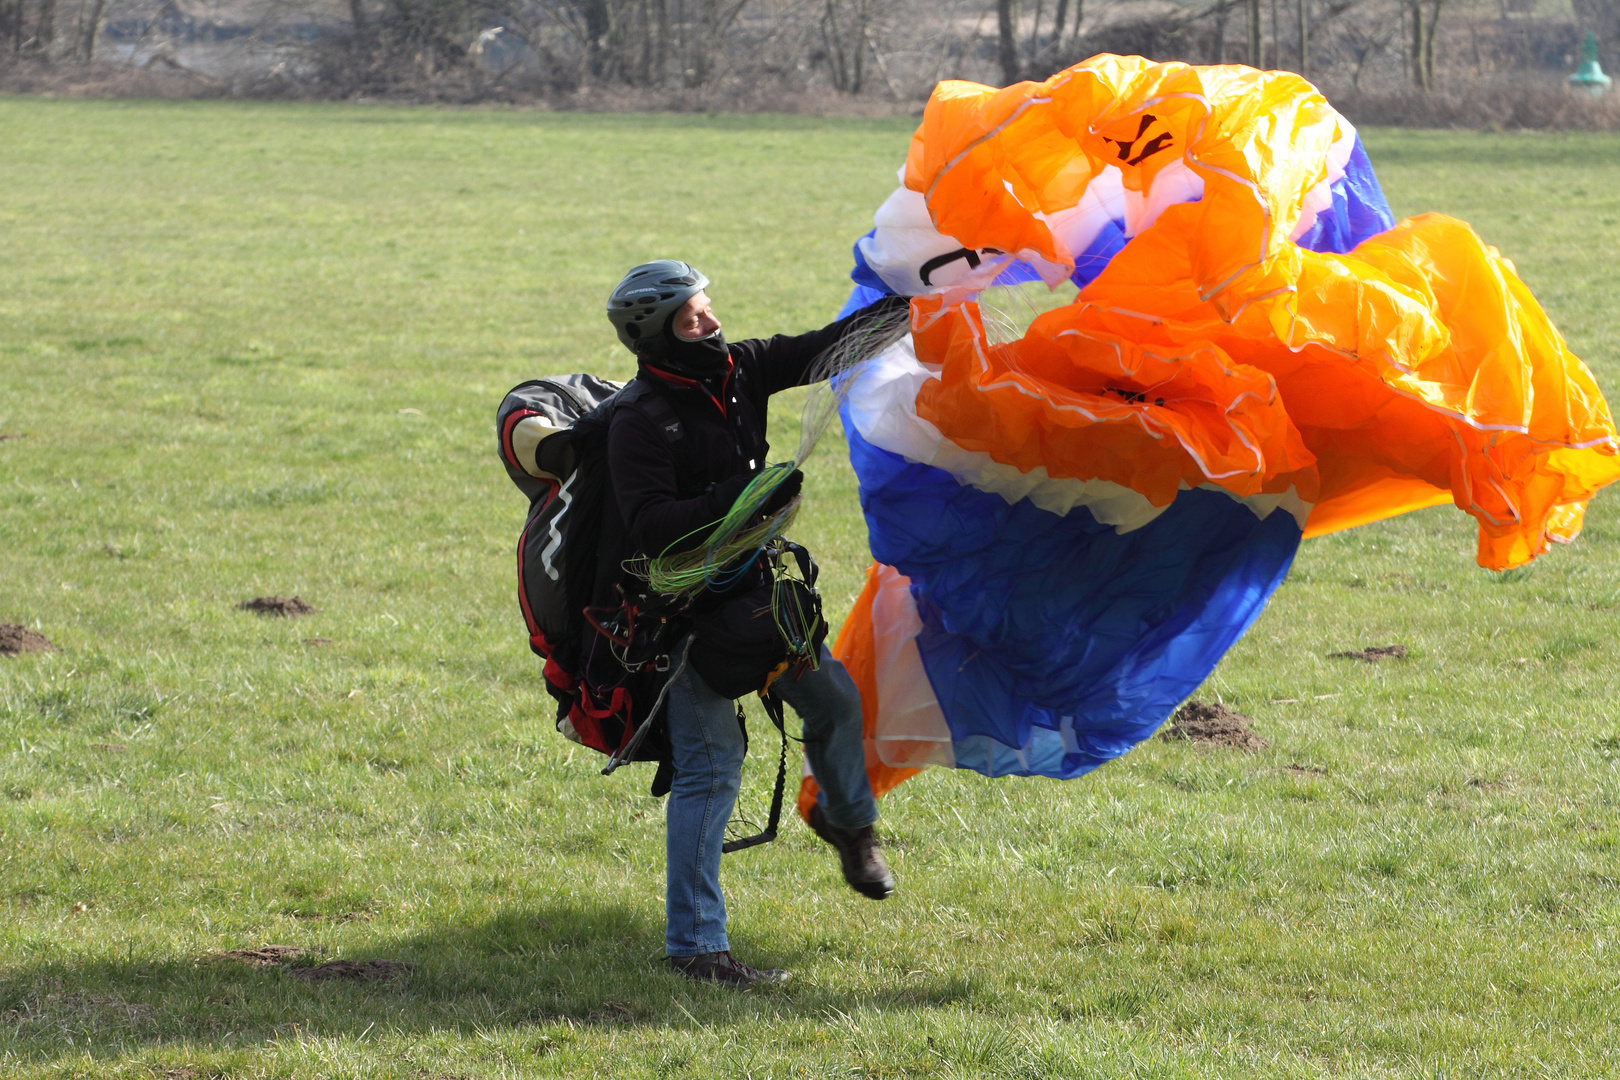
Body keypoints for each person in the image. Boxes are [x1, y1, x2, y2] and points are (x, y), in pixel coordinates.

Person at [604, 260, 907, 989]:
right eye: (690, 317)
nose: (709, 322)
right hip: (683, 623)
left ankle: (848, 825)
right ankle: (697, 948)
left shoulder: (739, 368)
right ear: (656, 334)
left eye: (706, 308)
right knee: (711, 772)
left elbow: (826, 346)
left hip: (760, 599)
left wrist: (919, 302)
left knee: (834, 700)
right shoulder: (637, 422)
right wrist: (739, 495)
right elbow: (648, 529)